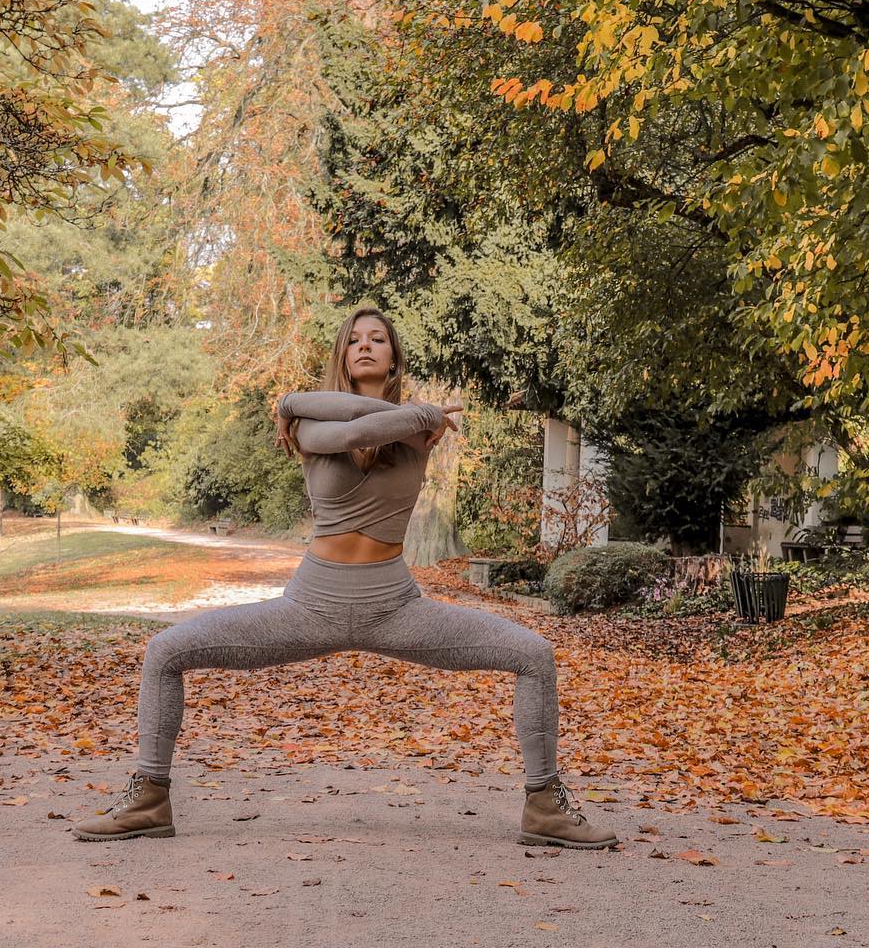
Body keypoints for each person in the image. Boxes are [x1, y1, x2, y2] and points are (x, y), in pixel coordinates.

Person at [73, 305, 617, 849]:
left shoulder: (413, 430)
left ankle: (544, 805)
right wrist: (401, 411)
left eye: (378, 339)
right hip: (309, 607)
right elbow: (355, 429)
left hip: (397, 609)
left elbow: (383, 423)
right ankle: (149, 799)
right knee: (165, 652)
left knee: (532, 655)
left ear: (393, 356)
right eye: (354, 339)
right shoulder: (317, 425)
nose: (365, 346)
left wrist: (409, 416)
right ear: (341, 354)